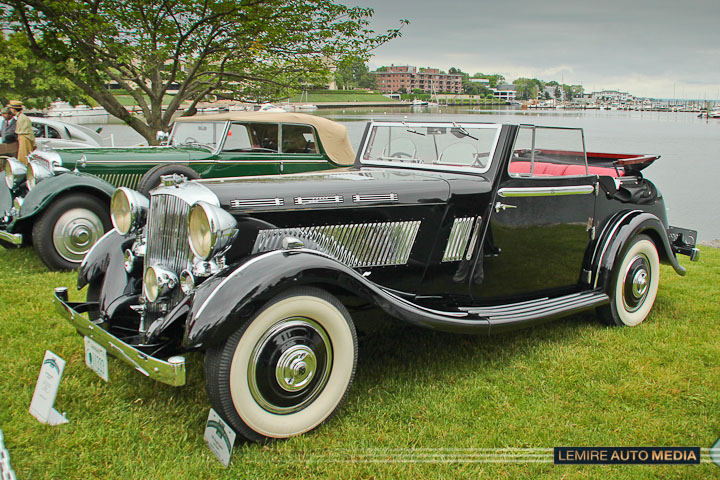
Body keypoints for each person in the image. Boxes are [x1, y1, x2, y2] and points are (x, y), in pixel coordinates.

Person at [8, 100, 35, 164]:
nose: (10, 110)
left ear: (14, 109)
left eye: (11, 108)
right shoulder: (20, 117)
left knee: (24, 156)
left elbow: (26, 131)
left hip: (24, 138)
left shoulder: (22, 118)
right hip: (22, 137)